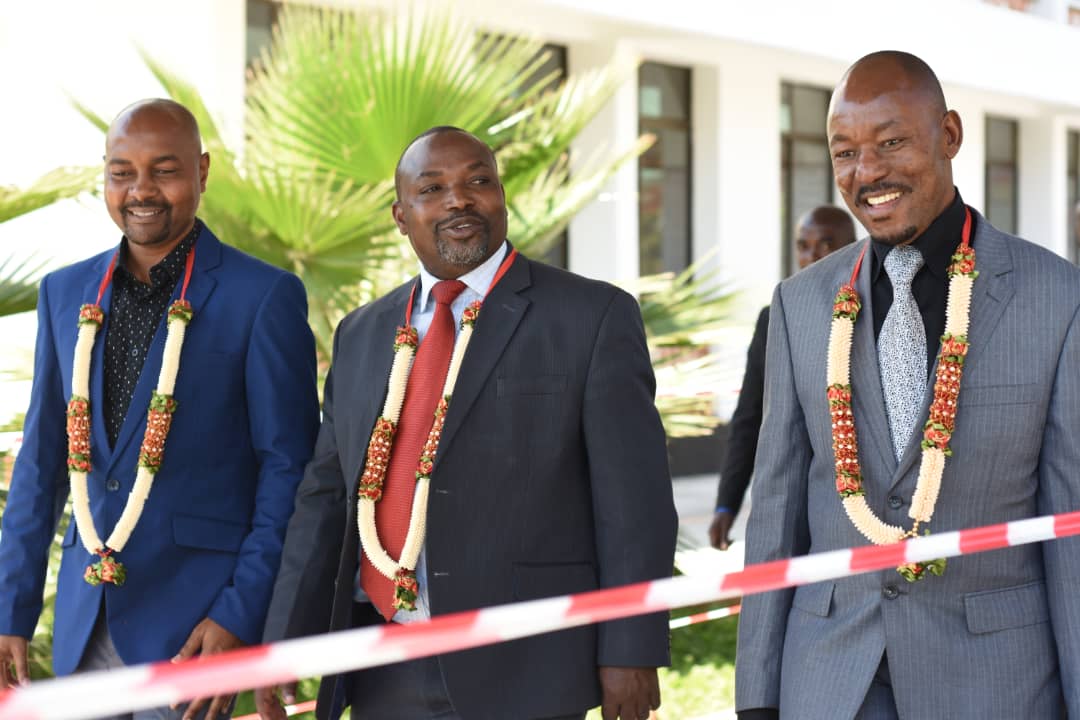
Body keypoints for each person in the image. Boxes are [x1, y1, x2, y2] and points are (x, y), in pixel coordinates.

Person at [256, 126, 677, 720]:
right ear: (401, 216)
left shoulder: (592, 316)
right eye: (433, 188)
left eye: (478, 181)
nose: (459, 199)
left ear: (501, 196)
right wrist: (282, 642)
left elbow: (635, 504)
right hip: (384, 664)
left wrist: (631, 649)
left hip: (527, 667)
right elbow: (324, 497)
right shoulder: (363, 332)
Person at [736, 51, 1080, 719]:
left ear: (949, 134)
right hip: (829, 684)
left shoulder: (1057, 299)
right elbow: (775, 514)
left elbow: (1070, 531)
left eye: (891, 142)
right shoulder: (798, 305)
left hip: (996, 687)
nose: (866, 172)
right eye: (845, 152)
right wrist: (757, 698)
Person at [0, 99, 320, 719]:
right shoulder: (64, 292)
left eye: (164, 171)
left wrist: (240, 613)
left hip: (196, 631)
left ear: (202, 171)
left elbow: (289, 471)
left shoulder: (263, 296)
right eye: (121, 173)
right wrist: (10, 609)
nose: (141, 191)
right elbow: (40, 464)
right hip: (83, 628)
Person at [709, 206, 855, 550]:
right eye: (803, 246)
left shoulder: (879, 309)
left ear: (853, 247)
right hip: (791, 493)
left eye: (826, 244)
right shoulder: (775, 317)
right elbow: (749, 417)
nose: (812, 256)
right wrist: (726, 504)